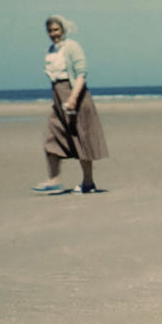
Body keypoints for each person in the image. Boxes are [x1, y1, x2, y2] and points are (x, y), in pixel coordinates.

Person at [31, 14, 109, 194]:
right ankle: (54, 179)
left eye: (56, 30)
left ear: (64, 29)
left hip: (75, 96)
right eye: (50, 31)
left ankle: (88, 182)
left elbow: (81, 74)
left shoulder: (72, 47)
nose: (53, 33)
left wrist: (73, 99)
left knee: (80, 138)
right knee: (51, 137)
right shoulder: (51, 49)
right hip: (58, 98)